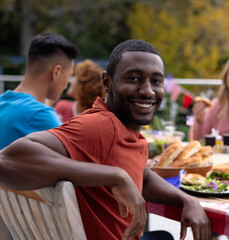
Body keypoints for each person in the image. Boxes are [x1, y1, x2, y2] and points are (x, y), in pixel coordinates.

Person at [0, 39, 211, 240]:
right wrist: (116, 176)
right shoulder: (102, 126)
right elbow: (6, 160)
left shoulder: (122, 130)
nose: (148, 91)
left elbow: (143, 176)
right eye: (134, 78)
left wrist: (186, 198)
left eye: (156, 81)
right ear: (107, 82)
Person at [0, 32, 80, 149]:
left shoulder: (2, 102)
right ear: (56, 72)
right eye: (68, 76)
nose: (65, 86)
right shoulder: (41, 116)